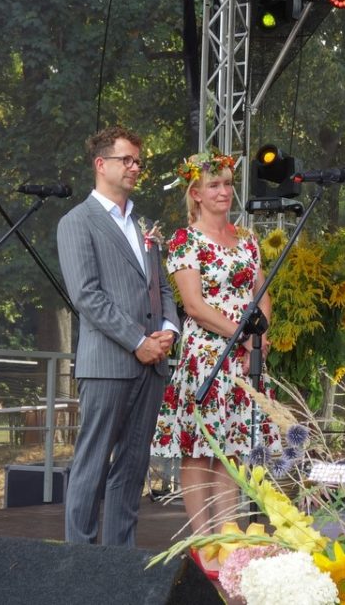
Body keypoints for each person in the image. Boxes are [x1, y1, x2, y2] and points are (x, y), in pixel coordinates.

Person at [151, 151, 278, 570]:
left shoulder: (247, 239)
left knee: (232, 447)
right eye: (214, 185)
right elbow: (194, 305)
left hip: (244, 357)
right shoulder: (186, 240)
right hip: (207, 355)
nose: (224, 192)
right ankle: (203, 539)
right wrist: (242, 337)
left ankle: (227, 538)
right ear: (196, 193)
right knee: (199, 448)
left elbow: (262, 293)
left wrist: (260, 337)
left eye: (227, 184)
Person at [58, 125, 179, 546]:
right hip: (108, 364)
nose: (135, 167)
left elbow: (161, 287)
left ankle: (119, 563)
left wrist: (168, 330)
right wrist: (138, 341)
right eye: (126, 160)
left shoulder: (143, 225)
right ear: (100, 164)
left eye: (138, 161)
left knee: (132, 468)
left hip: (152, 364)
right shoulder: (77, 222)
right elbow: (87, 296)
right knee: (91, 466)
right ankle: (80, 563)